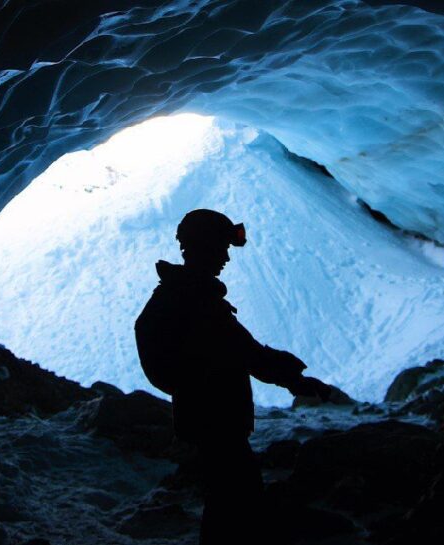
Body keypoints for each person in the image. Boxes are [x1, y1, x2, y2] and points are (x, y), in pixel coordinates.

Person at [134, 208, 332, 544]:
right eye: (221, 248)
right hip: (216, 418)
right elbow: (246, 352)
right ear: (204, 248)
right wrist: (294, 378)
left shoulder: (184, 294)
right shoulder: (197, 301)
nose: (226, 256)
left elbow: (240, 351)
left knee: (226, 500)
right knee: (235, 500)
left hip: (204, 416)